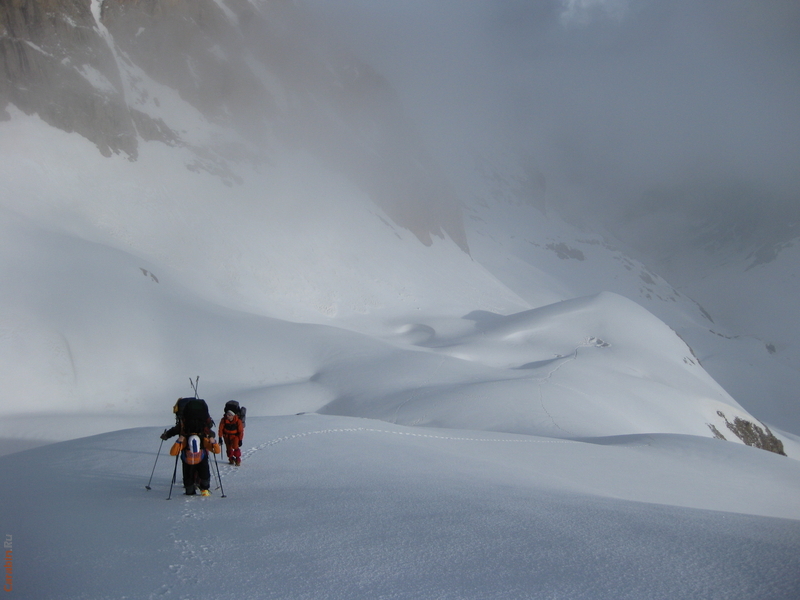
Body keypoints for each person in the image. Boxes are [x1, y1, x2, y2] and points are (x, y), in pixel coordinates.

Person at [160, 398, 219, 496]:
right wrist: (211, 439)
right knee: (202, 466)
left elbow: (175, 430)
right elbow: (210, 431)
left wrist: (167, 435)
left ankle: (190, 487)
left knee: (188, 469)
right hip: (202, 448)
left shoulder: (184, 423)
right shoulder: (204, 422)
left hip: (185, 448)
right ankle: (203, 486)